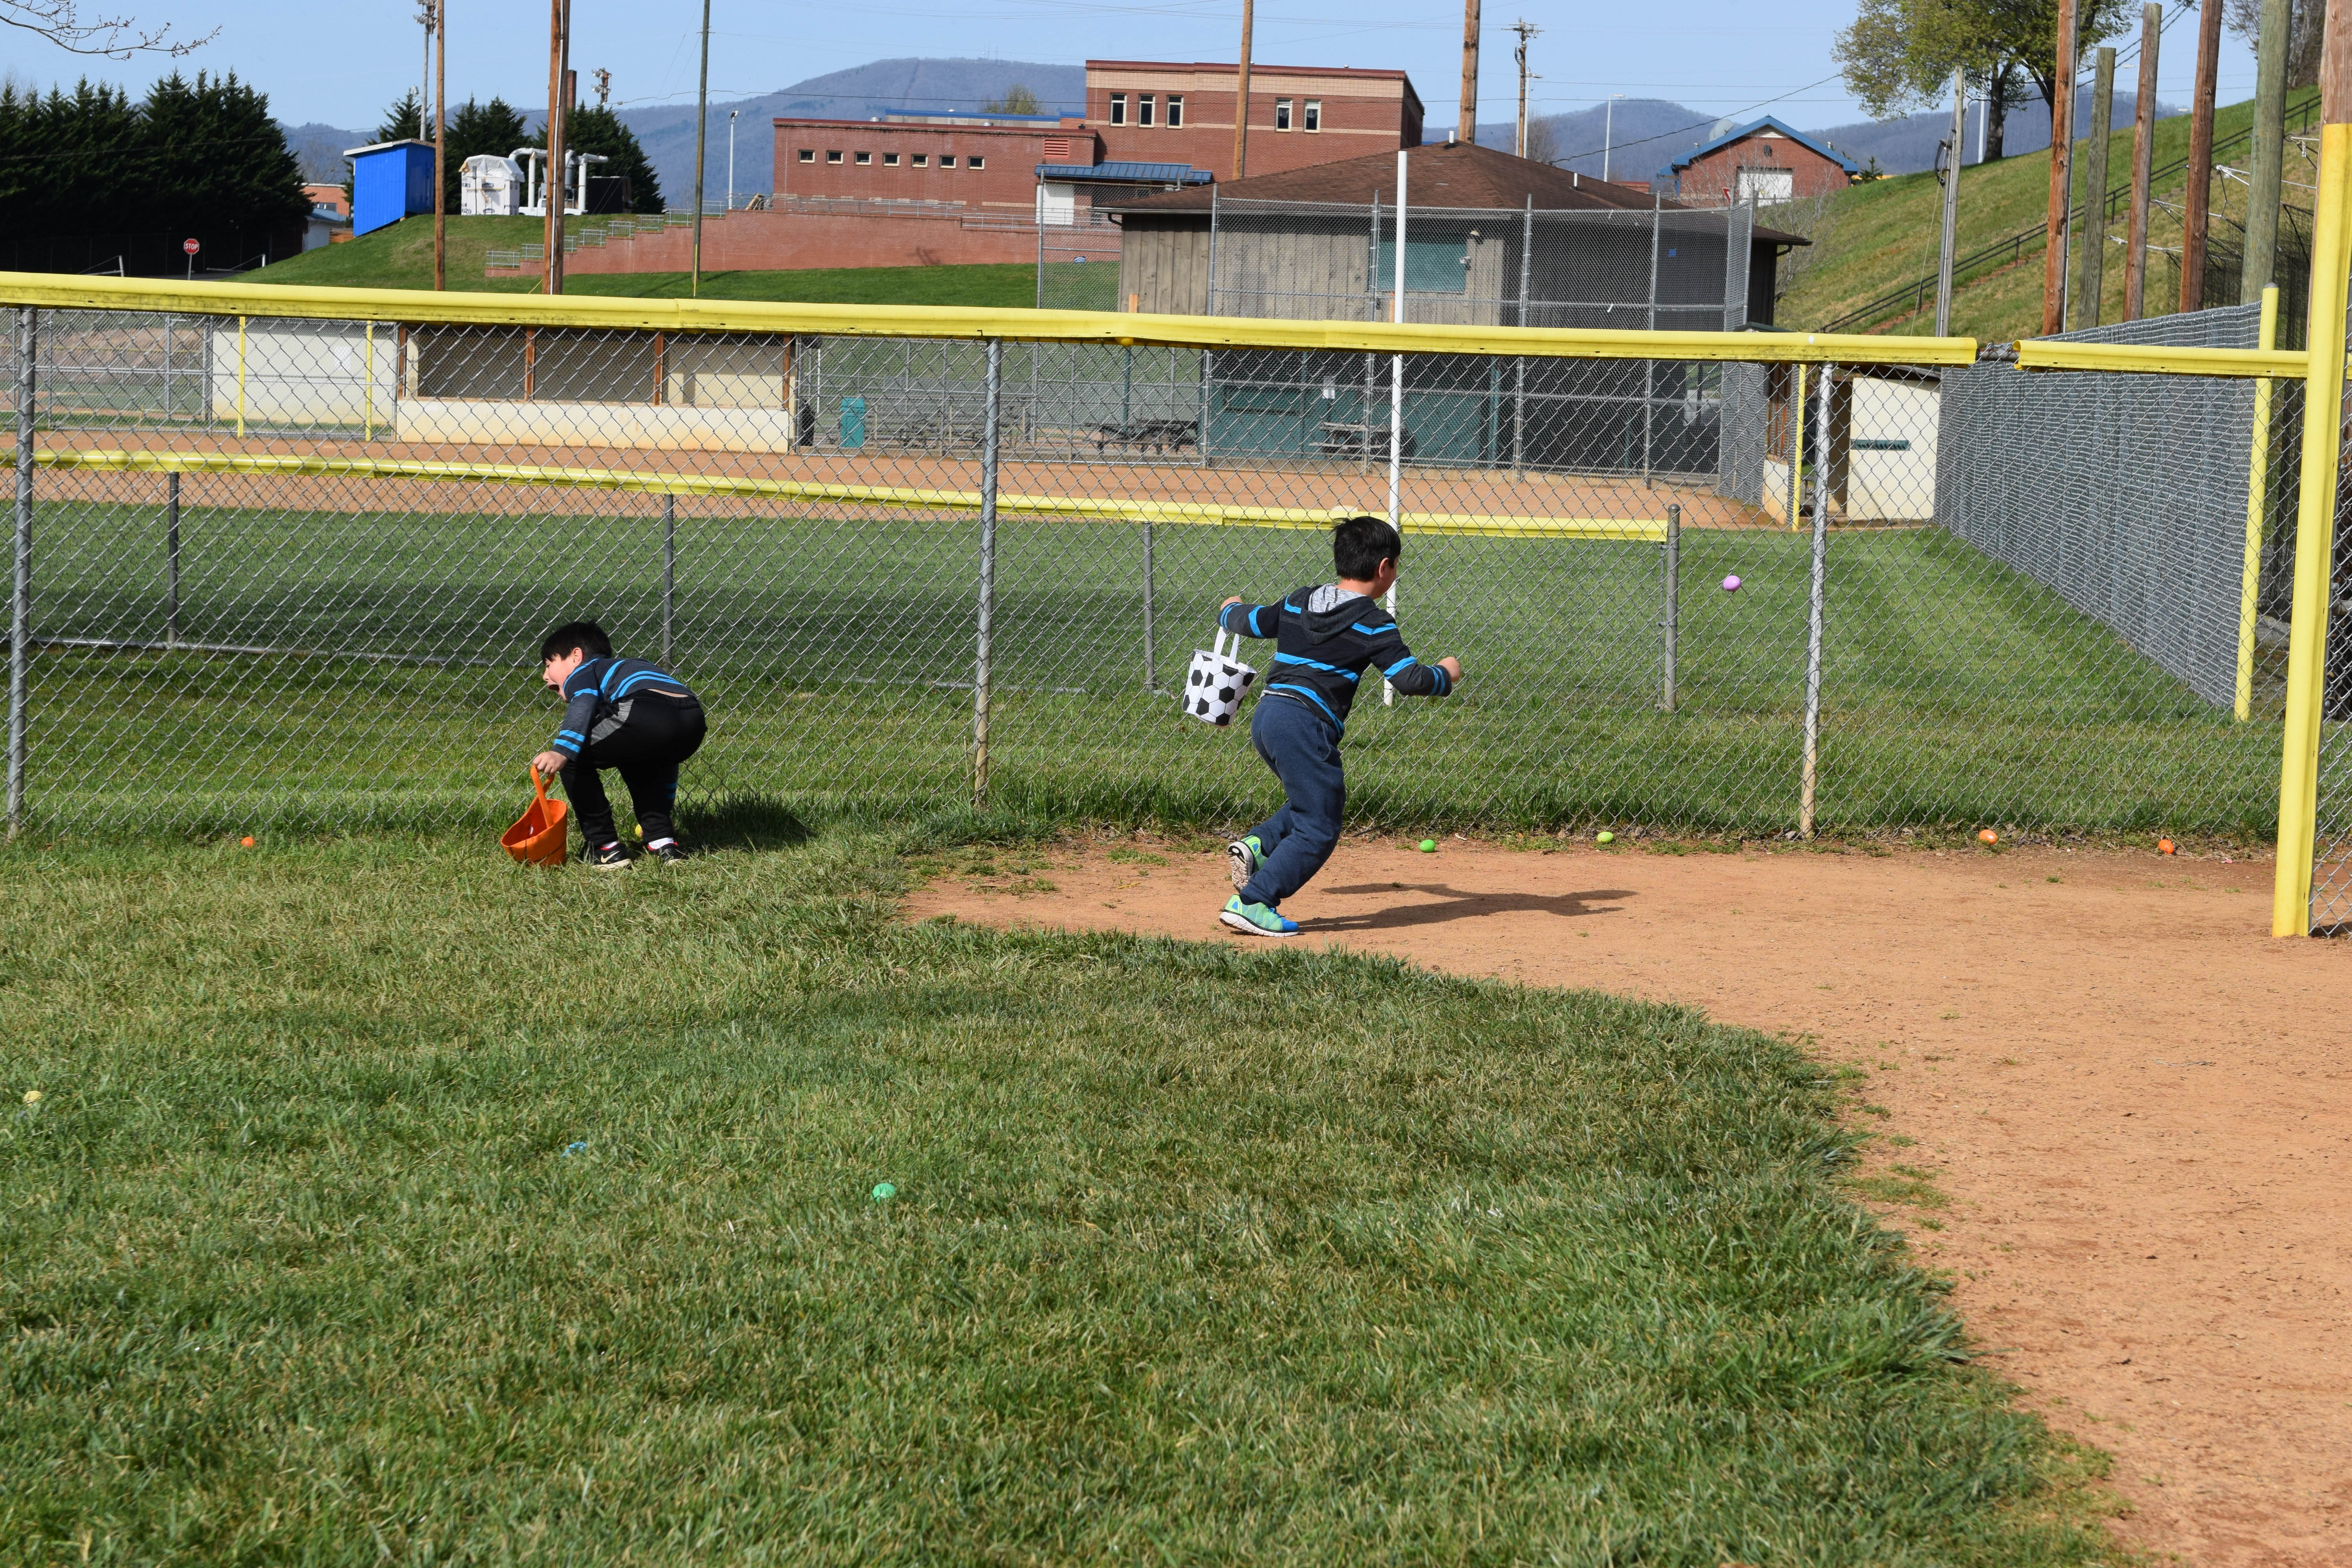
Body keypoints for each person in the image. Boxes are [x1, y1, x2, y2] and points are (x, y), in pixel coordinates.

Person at [1214, 515, 1462, 936]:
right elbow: (1409, 680)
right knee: (1320, 825)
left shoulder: (1299, 600)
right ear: (1384, 568)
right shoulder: (1373, 623)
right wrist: (1446, 673)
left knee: (1316, 800)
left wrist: (1229, 611)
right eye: (1397, 566)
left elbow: (1253, 621)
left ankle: (1260, 845)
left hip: (1269, 716)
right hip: (1306, 726)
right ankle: (1255, 901)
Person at [529, 621, 706, 867]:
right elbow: (663, 753)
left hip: (643, 708)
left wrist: (562, 751)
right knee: (639, 756)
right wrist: (664, 808)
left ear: (576, 657)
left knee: (574, 757)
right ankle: (663, 842)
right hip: (692, 719)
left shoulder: (584, 670)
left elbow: (584, 701)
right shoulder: (635, 665)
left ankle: (605, 846)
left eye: (549, 665)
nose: (545, 675)